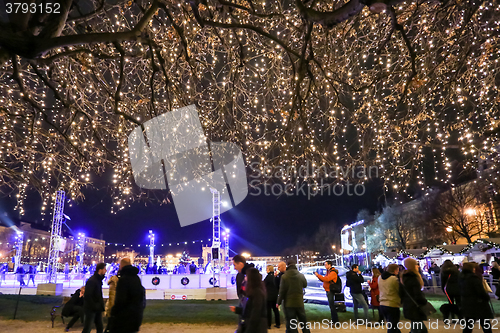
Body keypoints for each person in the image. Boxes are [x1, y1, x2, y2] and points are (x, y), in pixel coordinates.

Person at [109, 258, 146, 333]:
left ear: (121, 266)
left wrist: (113, 312)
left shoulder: (123, 280)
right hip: (136, 315)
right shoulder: (136, 279)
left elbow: (120, 300)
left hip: (124, 317)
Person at [276, 259, 310, 333]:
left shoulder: (284, 277)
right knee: (303, 322)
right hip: (299, 302)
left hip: (289, 303)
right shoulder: (301, 275)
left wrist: (278, 302)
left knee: (292, 323)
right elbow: (305, 285)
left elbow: (282, 291)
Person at [230, 267, 268, 332]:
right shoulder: (252, 291)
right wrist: (237, 310)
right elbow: (249, 309)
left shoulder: (257, 293)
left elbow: (256, 312)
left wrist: (249, 329)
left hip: (257, 328)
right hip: (252, 325)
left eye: (246, 276)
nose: (245, 278)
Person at [460, 262, 493, 333]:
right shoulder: (474, 279)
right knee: (485, 324)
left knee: (468, 325)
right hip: (478, 304)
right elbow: (480, 291)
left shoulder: (461, 278)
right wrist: (486, 297)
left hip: (467, 303)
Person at [400, 258, 428, 333]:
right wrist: (423, 301)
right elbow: (417, 293)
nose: (418, 266)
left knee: (416, 327)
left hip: (408, 304)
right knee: (419, 329)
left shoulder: (403, 277)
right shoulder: (413, 278)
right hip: (415, 306)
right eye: (416, 264)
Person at [82, 262, 106, 333]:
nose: (106, 271)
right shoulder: (92, 281)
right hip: (92, 308)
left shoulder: (97, 280)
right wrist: (94, 305)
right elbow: (88, 295)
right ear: (100, 270)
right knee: (88, 328)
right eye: (104, 269)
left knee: (100, 327)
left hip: (97, 307)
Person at [378, 264, 401, 333]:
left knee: (392, 325)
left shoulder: (380, 277)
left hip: (382, 303)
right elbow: (398, 290)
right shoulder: (394, 279)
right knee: (393, 326)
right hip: (392, 303)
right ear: (395, 271)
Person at [264, 265, 280, 329]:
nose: (266, 270)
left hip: (269, 296)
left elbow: (264, 284)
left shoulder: (268, 277)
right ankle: (278, 323)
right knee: (275, 310)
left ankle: (268, 324)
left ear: (269, 269)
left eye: (267, 268)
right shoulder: (275, 276)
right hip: (275, 295)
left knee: (268, 311)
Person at [104, 266, 119, 333]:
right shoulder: (118, 282)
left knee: (110, 316)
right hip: (115, 300)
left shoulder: (111, 280)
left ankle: (108, 328)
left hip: (111, 300)